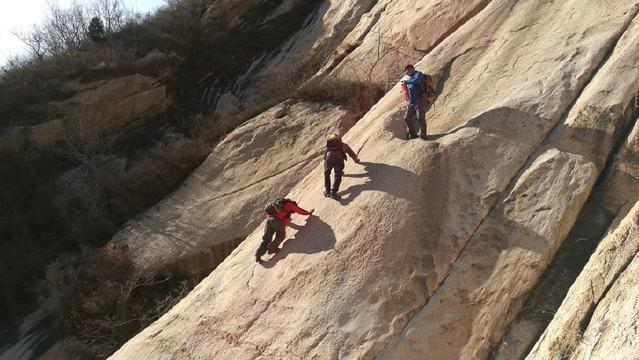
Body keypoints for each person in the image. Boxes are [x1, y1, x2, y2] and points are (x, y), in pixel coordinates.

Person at [255, 198, 314, 262]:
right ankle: (271, 248)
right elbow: (299, 210)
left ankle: (258, 256)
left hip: (269, 219)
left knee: (267, 239)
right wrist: (308, 213)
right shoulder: (290, 205)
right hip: (275, 220)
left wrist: (282, 226)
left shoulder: (280, 204)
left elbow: (285, 223)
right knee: (281, 235)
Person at [401, 64, 433, 140]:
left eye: (407, 71)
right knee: (407, 118)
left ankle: (423, 135)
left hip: (420, 100)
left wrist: (407, 82)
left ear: (411, 69)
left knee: (420, 117)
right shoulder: (411, 78)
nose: (406, 73)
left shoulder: (419, 74)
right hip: (412, 102)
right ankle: (413, 135)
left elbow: (416, 81)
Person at [324, 133, 360, 199]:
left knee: (327, 174)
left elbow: (325, 157)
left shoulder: (328, 148)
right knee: (337, 175)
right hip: (338, 159)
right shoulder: (343, 145)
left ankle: (327, 191)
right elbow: (351, 153)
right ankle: (334, 193)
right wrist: (356, 160)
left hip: (328, 159)